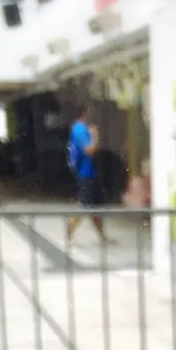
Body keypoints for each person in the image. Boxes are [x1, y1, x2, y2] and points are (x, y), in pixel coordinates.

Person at [66, 102, 112, 248]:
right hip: (85, 173)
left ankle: (101, 236)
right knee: (85, 205)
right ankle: (69, 234)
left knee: (95, 206)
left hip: (90, 172)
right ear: (85, 113)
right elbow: (89, 150)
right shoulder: (79, 129)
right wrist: (95, 136)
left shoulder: (79, 128)